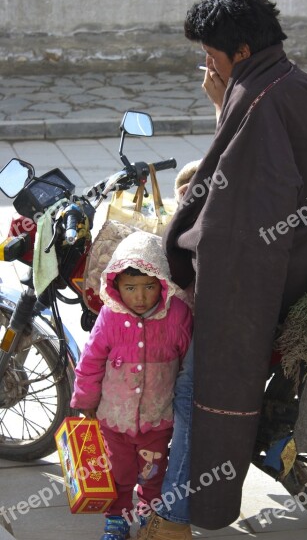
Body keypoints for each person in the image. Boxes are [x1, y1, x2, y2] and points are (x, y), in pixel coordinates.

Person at [137, 0, 307, 538]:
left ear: (242, 51)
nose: (206, 64)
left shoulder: (258, 97)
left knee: (196, 387)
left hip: (263, 277)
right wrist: (220, 100)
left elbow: (241, 219)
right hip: (300, 255)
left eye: (211, 55)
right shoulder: (288, 81)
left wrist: (190, 252)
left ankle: (178, 518)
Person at [70, 231, 193, 540]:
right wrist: (84, 401)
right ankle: (116, 518)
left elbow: (189, 362)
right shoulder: (110, 317)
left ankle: (149, 517)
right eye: (130, 288)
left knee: (154, 475)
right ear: (116, 286)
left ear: (162, 283)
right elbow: (91, 360)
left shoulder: (177, 316)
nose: (139, 297)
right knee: (118, 474)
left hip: (157, 419)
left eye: (149, 287)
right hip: (114, 419)